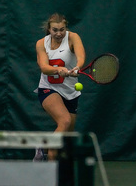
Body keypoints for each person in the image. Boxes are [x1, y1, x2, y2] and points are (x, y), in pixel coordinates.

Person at [33, 13, 86, 161]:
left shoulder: (73, 37)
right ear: (49, 29)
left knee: (67, 136)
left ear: (66, 28)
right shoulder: (41, 43)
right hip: (48, 88)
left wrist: (77, 67)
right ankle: (51, 165)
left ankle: (43, 147)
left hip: (71, 92)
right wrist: (58, 70)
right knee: (65, 120)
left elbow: (81, 56)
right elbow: (44, 67)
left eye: (62, 29)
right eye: (55, 30)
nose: (59, 33)